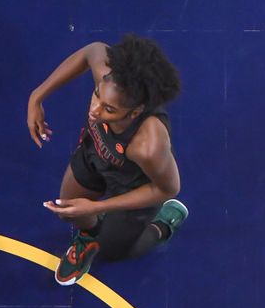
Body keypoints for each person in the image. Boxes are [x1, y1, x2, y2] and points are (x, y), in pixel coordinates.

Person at [27, 35, 189, 285]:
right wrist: (37, 97)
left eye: (109, 110)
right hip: (95, 153)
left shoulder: (147, 145)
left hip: (134, 184)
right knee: (68, 211)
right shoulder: (108, 78)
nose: (95, 110)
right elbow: (92, 51)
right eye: (96, 95)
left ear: (134, 112)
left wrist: (96, 207)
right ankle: (88, 238)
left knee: (114, 252)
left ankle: (161, 226)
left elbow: (168, 188)